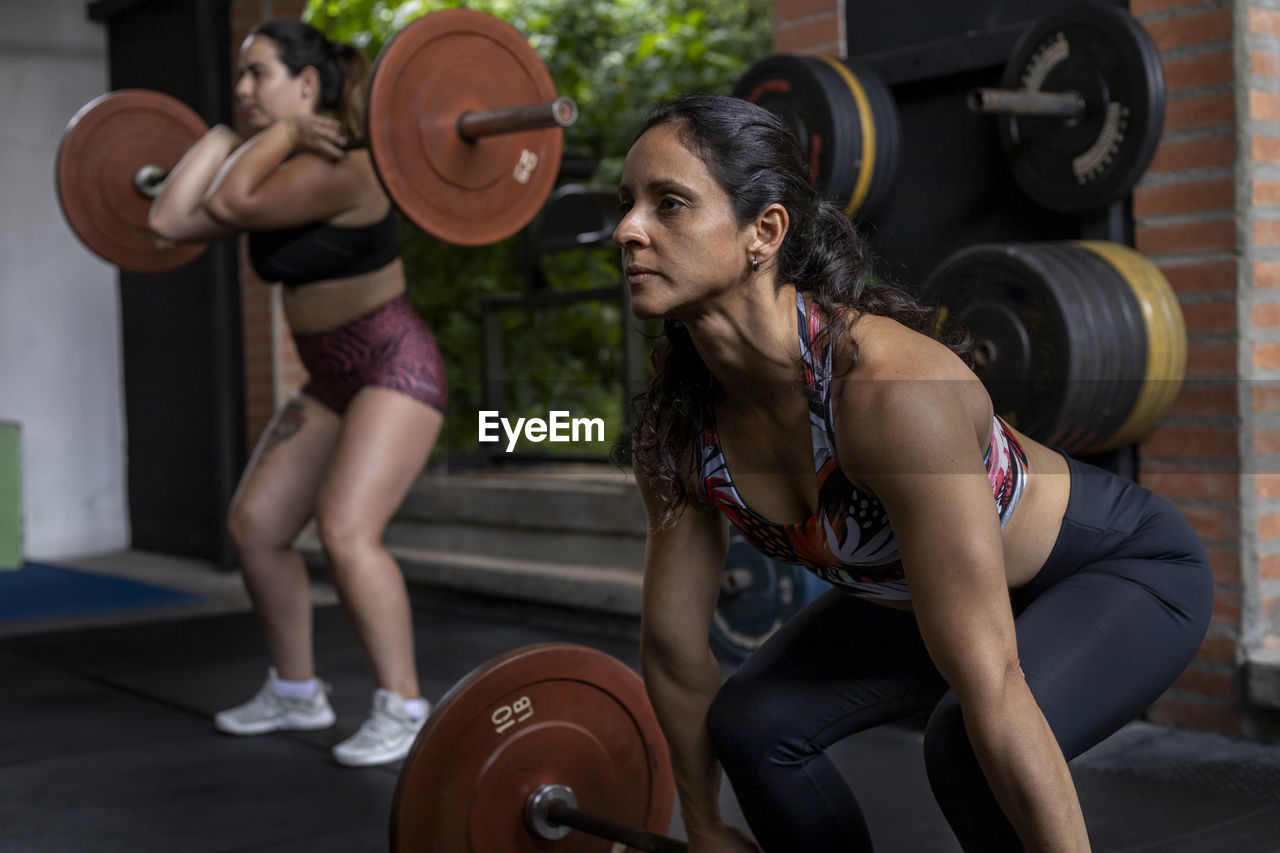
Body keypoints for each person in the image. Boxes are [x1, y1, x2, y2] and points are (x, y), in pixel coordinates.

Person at [613, 94, 1213, 852]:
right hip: (926, 598)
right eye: (626, 204)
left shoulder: (890, 394)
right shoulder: (677, 429)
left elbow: (993, 680)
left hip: (1113, 572)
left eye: (668, 204)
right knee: (753, 722)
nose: (627, 230)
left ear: (763, 231)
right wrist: (704, 825)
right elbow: (672, 647)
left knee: (963, 743)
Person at [148, 19, 446, 767]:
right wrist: (222, 134)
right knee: (255, 525)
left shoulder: (347, 164)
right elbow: (166, 220)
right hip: (331, 376)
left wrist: (271, 140)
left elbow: (231, 207)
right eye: (240, 77)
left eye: (258, 75)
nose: (243, 88)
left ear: (307, 86)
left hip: (392, 365)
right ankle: (295, 688)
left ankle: (405, 705)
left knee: (347, 531)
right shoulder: (273, 164)